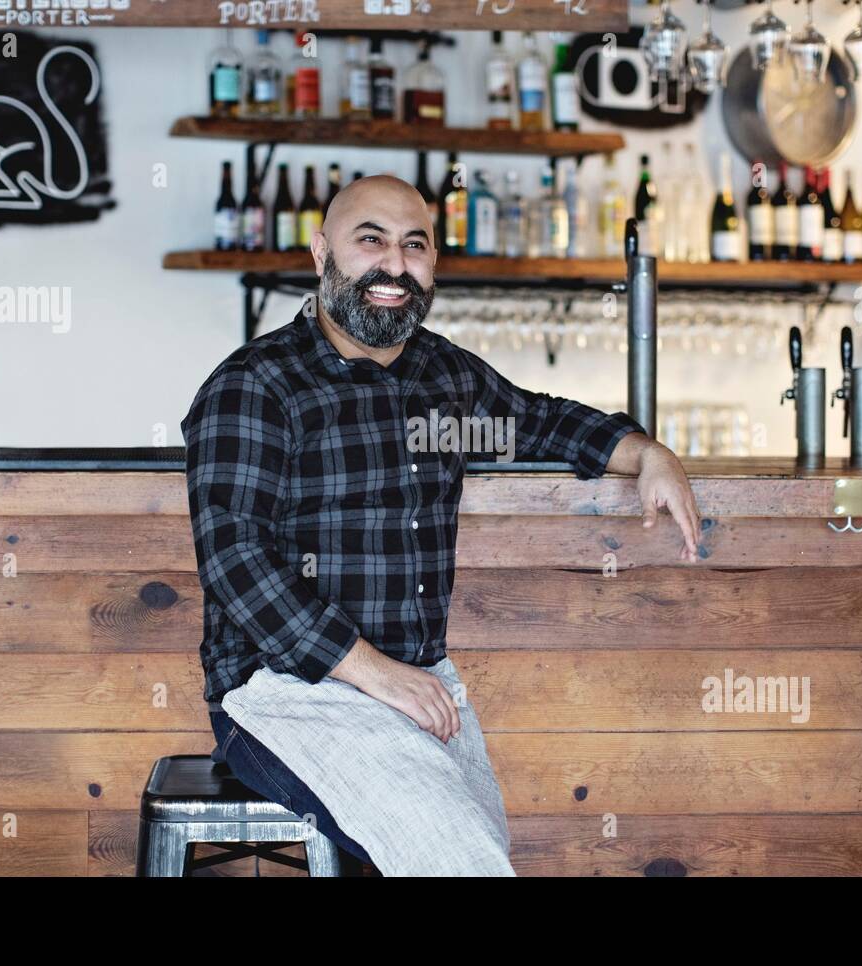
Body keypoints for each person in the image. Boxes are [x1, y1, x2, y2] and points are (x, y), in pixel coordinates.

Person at [181, 174, 702, 876]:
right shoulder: (255, 384)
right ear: (320, 252)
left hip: (418, 682)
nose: (394, 266)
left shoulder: (444, 375)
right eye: (371, 241)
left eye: (414, 246)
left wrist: (647, 453)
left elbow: (540, 420)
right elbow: (236, 561)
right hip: (283, 692)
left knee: (475, 854)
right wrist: (376, 675)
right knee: (462, 861)